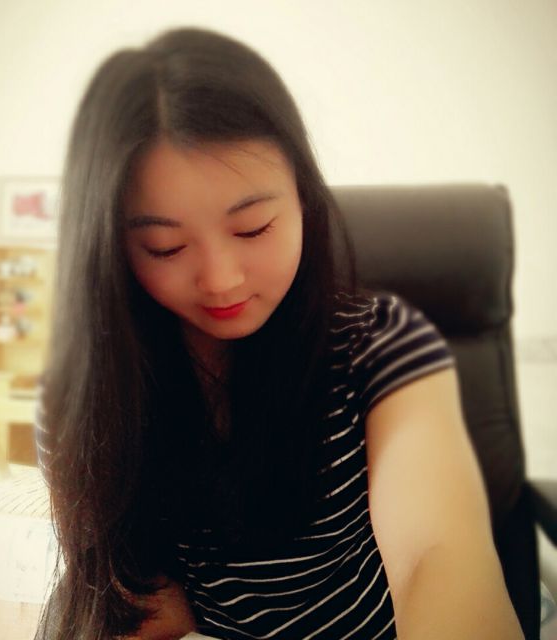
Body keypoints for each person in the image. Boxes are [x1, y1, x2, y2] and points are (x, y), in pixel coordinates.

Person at [34, 27, 523, 640]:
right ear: (108, 248)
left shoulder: (380, 343)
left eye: (254, 228)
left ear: (302, 201)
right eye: (165, 246)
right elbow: (149, 608)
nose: (221, 280)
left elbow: (436, 557)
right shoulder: (82, 400)